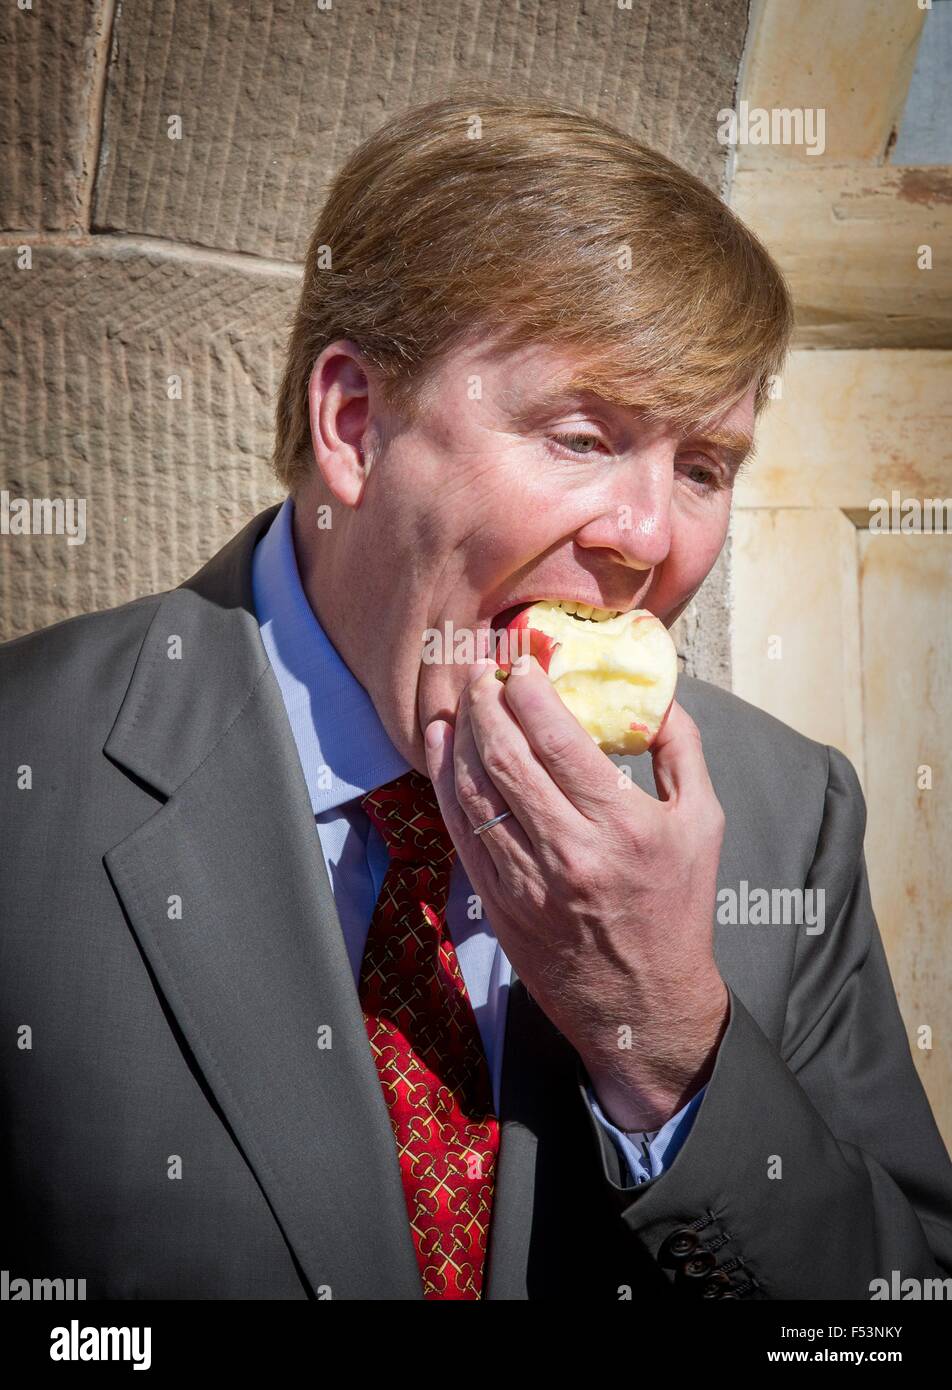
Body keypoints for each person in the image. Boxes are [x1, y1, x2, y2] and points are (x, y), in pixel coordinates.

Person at [2, 92, 950, 1302]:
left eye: (702, 466)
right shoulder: (25, 776)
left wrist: (667, 1043)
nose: (649, 538)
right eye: (579, 435)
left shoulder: (786, 814)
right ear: (354, 424)